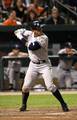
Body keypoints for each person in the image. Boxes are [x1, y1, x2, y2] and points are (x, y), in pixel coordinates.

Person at [14, 21, 69, 112]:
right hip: (33, 65)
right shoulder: (30, 33)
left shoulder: (44, 38)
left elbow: (32, 47)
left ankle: (63, 103)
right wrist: (21, 32)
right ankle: (24, 105)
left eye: (40, 28)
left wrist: (20, 36)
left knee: (50, 86)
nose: (41, 30)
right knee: (25, 87)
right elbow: (16, 31)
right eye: (38, 29)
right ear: (33, 30)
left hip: (44, 65)